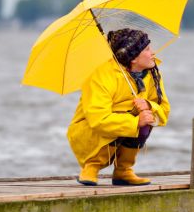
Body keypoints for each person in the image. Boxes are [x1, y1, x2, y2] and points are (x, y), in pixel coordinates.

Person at [67, 28, 170, 186]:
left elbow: (164, 110)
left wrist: (149, 105)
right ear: (133, 57)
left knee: (146, 117)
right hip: (90, 133)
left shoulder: (152, 74)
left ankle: (123, 170)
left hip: (118, 124)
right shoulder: (101, 76)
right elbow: (98, 120)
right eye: (147, 49)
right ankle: (91, 167)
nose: (153, 53)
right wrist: (135, 122)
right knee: (134, 119)